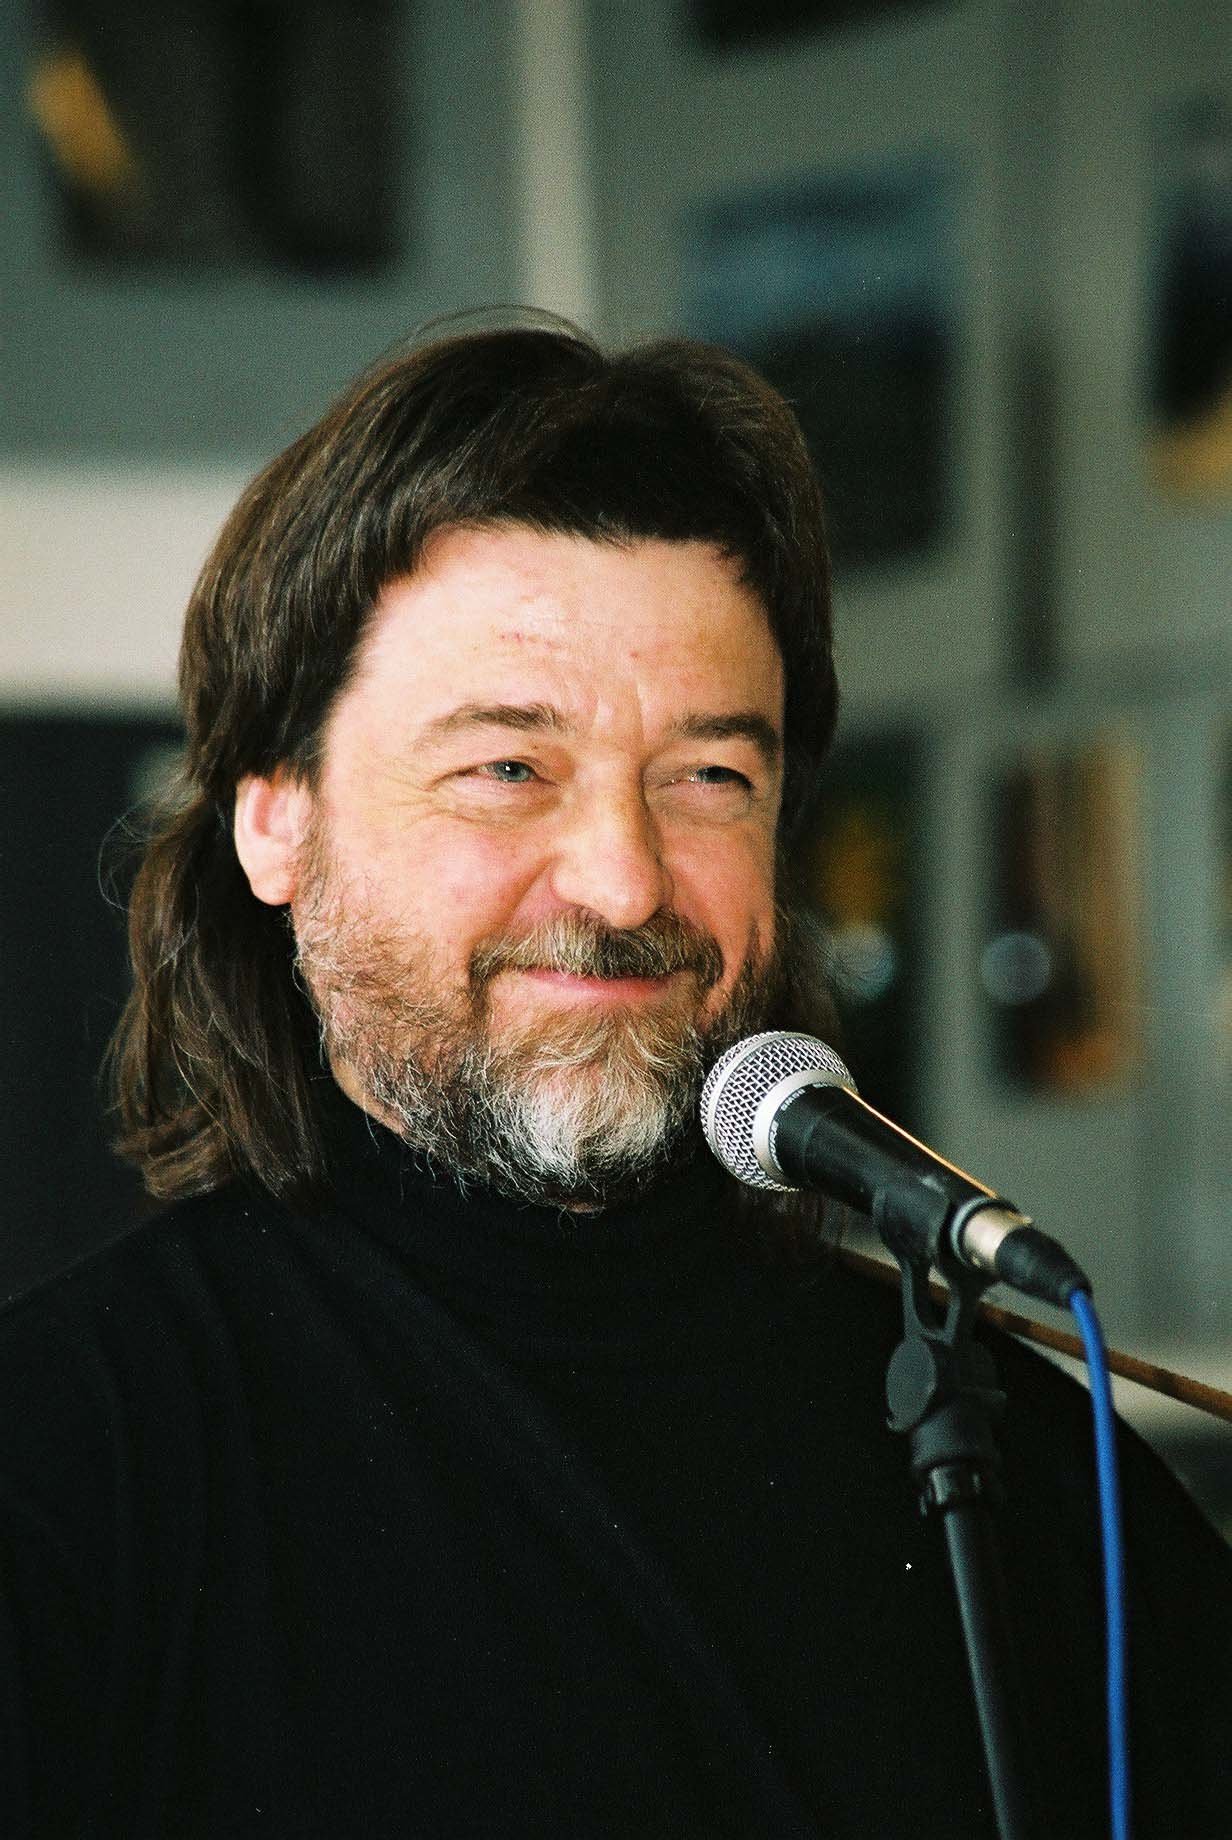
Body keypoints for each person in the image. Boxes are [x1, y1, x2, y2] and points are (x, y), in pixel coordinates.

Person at [1, 322, 1228, 1839]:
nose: (626, 879)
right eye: (509, 769)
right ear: (277, 822)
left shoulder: (1023, 1466)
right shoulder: (69, 1466)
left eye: (708, 778)